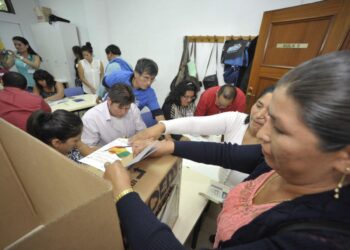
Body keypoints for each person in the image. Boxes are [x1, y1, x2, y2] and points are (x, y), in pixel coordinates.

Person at [103, 51, 350, 249]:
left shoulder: (314, 239)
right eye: (268, 116)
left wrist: (124, 194)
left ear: (344, 156)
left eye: (282, 130)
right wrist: (168, 144)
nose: (263, 133)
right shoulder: (277, 162)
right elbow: (226, 153)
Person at [131, 85, 275, 186]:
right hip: (221, 187)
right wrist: (162, 126)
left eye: (270, 111)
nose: (259, 115)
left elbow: (222, 153)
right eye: (259, 105)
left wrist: (167, 145)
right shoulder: (236, 119)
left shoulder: (273, 150)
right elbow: (195, 123)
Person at [104, 58, 171, 140]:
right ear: (136, 74)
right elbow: (105, 82)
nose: (149, 83)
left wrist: (169, 139)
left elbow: (159, 116)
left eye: (152, 79)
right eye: (146, 78)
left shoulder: (149, 93)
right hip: (108, 118)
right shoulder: (119, 77)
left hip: (128, 123)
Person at [81, 84, 146, 147]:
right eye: (120, 108)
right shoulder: (91, 118)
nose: (123, 112)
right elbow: (88, 147)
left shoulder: (133, 108)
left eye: (127, 108)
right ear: (109, 101)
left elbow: (142, 132)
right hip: (104, 155)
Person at [27, 110, 96, 163]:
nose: (79, 142)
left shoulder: (70, 142)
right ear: (56, 143)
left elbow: (87, 151)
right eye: (76, 140)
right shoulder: (53, 163)